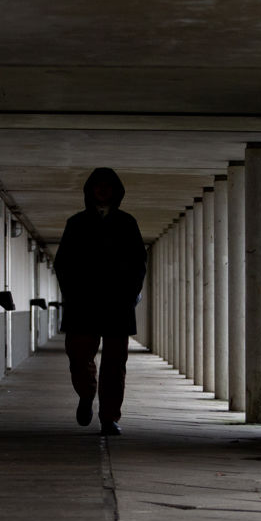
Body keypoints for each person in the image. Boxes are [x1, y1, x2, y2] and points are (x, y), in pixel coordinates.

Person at [53, 167, 147, 436]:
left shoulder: (127, 223)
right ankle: (86, 393)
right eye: (98, 185)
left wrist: (130, 294)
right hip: (83, 302)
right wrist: (72, 294)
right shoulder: (76, 223)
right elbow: (63, 263)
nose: (103, 190)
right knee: (78, 357)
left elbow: (139, 262)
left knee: (115, 364)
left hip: (117, 303)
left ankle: (109, 417)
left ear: (116, 191)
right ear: (90, 190)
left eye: (108, 185)